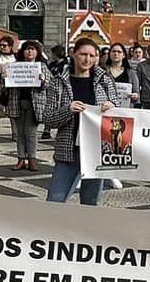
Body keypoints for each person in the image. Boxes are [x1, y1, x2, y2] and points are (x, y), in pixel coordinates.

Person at [37, 39, 118, 205]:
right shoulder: (58, 82)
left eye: (92, 55)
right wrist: (68, 109)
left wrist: (112, 106)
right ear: (73, 54)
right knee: (55, 199)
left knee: (91, 201)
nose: (87, 59)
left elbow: (118, 111)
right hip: (69, 150)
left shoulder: (105, 81)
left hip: (96, 150)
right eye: (83, 54)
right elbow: (48, 118)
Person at [6, 40, 45, 171]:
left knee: (31, 133)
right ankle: (21, 159)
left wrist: (42, 80)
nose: (30, 52)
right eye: (27, 49)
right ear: (22, 52)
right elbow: (7, 84)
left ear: (37, 52)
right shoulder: (15, 66)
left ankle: (32, 159)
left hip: (35, 105)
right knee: (20, 133)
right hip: (17, 103)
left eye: (33, 49)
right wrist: (4, 77)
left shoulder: (42, 66)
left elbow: (49, 84)